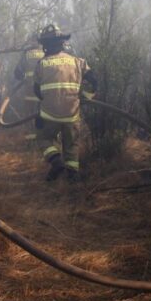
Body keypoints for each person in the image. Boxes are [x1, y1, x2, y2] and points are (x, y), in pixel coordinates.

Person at [33, 24, 97, 182]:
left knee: (43, 138)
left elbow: (37, 91)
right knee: (71, 145)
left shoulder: (41, 64)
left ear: (46, 45)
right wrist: (86, 98)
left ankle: (55, 162)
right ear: (62, 43)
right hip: (72, 113)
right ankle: (73, 177)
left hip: (49, 114)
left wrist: (42, 111)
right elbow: (94, 81)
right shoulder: (77, 61)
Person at [12, 33, 46, 140]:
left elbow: (17, 72)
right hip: (44, 93)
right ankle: (44, 137)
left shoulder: (26, 53)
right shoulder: (47, 52)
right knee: (44, 115)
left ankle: (31, 140)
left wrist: (24, 78)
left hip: (29, 92)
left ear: (32, 40)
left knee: (29, 116)